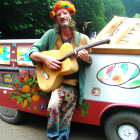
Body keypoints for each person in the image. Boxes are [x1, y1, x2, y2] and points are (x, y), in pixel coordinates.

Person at [29, 1, 92, 140]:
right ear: (56, 18)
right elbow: (32, 52)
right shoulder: (51, 34)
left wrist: (87, 59)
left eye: (65, 13)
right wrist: (46, 59)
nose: (62, 16)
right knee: (53, 106)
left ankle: (62, 137)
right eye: (59, 14)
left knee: (67, 115)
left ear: (70, 15)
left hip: (74, 85)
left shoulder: (84, 39)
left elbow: (89, 62)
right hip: (57, 84)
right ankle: (52, 135)